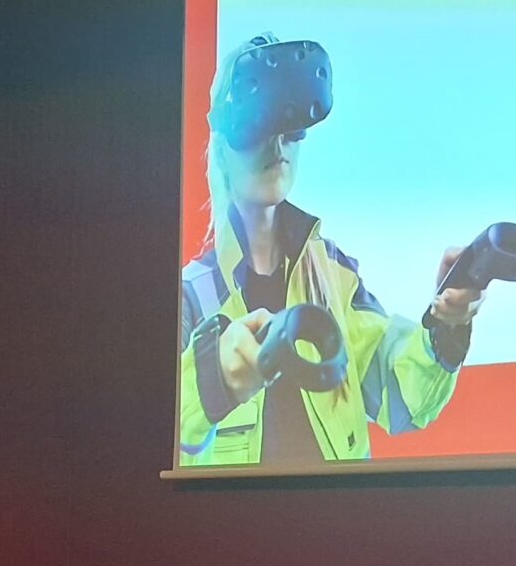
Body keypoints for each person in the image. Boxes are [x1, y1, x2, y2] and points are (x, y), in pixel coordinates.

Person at [176, 33, 485, 465]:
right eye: (258, 126)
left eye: (291, 130)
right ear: (222, 151)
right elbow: (158, 437)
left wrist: (446, 326)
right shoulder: (191, 298)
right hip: (238, 509)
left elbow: (400, 395)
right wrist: (212, 382)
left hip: (338, 507)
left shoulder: (334, 275)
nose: (277, 146)